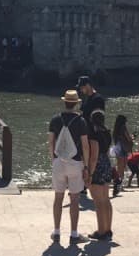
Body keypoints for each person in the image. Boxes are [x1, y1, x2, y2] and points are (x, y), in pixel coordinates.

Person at [48, 89, 90, 245]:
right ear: (76, 104)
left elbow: (51, 142)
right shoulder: (81, 121)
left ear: (64, 102)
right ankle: (73, 234)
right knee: (74, 199)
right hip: (75, 162)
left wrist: (54, 160)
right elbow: (85, 146)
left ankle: (57, 231)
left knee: (58, 197)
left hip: (59, 161)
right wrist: (86, 166)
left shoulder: (55, 119)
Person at [87, 109, 113, 240]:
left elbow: (94, 156)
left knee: (98, 201)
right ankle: (108, 229)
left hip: (98, 165)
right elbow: (107, 151)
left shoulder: (94, 133)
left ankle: (101, 231)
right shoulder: (107, 132)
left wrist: (90, 174)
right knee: (106, 198)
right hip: (107, 163)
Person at [112, 115, 133, 194]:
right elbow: (128, 137)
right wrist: (132, 139)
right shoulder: (123, 127)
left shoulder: (116, 129)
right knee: (122, 167)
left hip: (117, 147)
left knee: (119, 167)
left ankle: (117, 183)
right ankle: (120, 185)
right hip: (123, 148)